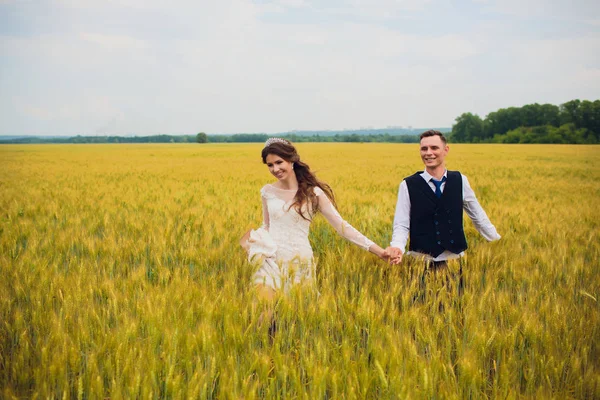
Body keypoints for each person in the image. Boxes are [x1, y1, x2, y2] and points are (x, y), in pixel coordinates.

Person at [242, 138, 389, 306]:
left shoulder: (313, 193)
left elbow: (343, 228)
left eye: (279, 162)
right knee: (264, 313)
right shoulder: (267, 191)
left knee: (297, 312)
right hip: (270, 260)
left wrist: (379, 251)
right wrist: (253, 242)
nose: (275, 169)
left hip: (298, 261)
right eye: (270, 165)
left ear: (291, 160)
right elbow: (266, 225)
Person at [386, 130, 500, 273]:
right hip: (421, 263)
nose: (428, 153)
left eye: (434, 148)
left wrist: (497, 241)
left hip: (455, 262)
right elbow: (401, 224)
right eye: (424, 149)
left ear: (446, 150)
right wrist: (397, 247)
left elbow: (477, 215)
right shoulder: (408, 185)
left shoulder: (460, 180)